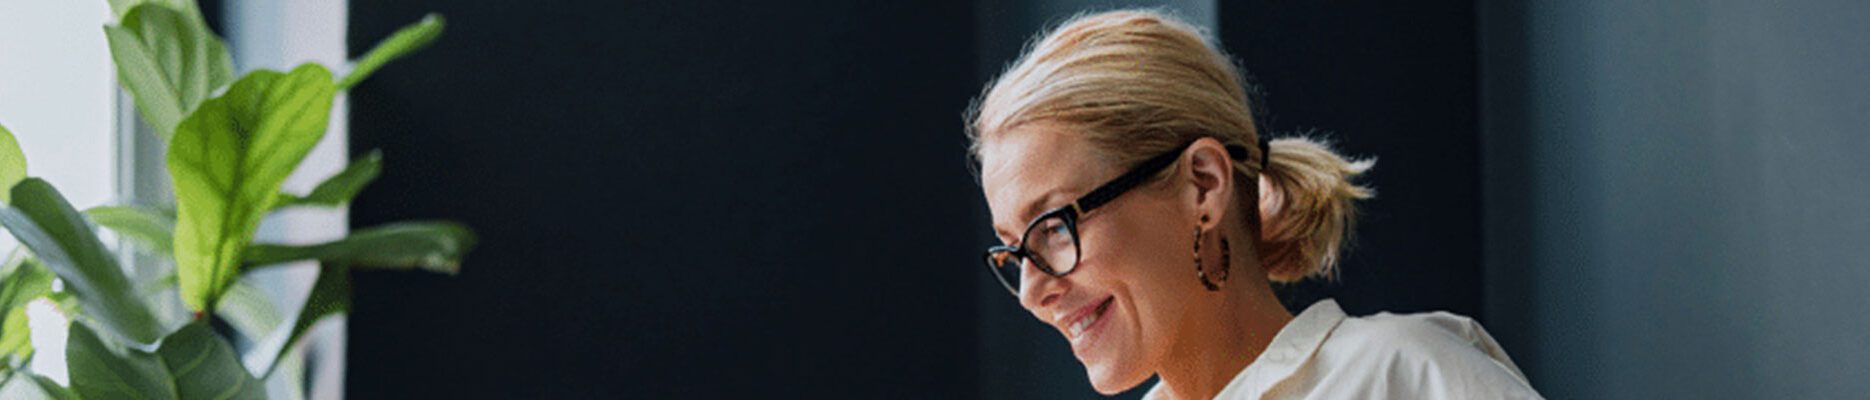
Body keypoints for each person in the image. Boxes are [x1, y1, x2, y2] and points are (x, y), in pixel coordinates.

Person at [966, 9, 1543, 399]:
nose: (1032, 292)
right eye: (1015, 252)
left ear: (1203, 184)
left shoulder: (1405, 377)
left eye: (1053, 228)